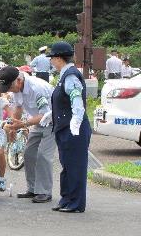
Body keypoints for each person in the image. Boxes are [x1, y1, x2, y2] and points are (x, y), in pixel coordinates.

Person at [44, 41, 91, 213]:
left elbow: (76, 98)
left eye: (52, 58)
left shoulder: (70, 75)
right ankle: (66, 199)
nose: (51, 62)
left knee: (75, 166)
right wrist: (50, 115)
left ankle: (76, 203)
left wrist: (77, 120)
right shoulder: (64, 75)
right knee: (67, 165)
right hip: (64, 127)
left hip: (74, 128)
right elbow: (61, 100)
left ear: (58, 58)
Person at [0, 66, 56, 203]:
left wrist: (23, 124)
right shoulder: (17, 89)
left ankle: (44, 192)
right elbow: (18, 108)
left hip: (53, 121)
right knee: (29, 153)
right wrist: (13, 127)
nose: (10, 91)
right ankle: (33, 189)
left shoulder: (37, 89)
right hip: (36, 122)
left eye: (10, 87)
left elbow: (44, 114)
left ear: (18, 80)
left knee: (43, 155)